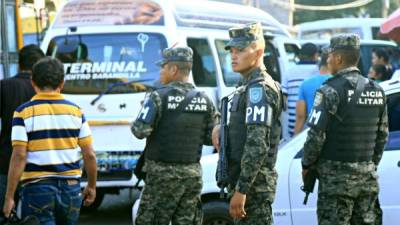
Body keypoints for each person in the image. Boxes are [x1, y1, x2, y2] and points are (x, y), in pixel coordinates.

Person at [302, 34, 388, 225]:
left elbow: (315, 137)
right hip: (367, 180)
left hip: (336, 184)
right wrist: (367, 165)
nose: (328, 60)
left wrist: (307, 165)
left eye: (330, 56)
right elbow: (382, 137)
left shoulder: (328, 91)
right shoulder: (377, 90)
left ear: (339, 58)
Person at [2, 57, 97, 225]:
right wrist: (91, 185)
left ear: (32, 82)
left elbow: (19, 156)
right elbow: (89, 154)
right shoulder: (76, 112)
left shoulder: (22, 113)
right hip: (71, 188)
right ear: (62, 82)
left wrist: (9, 197)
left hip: (37, 188)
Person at [132, 46, 217, 225]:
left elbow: (140, 131)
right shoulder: (205, 100)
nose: (161, 71)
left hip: (161, 178)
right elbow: (212, 138)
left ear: (173, 69)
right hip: (191, 177)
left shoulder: (157, 97)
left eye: (163, 67)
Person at [212, 22, 283, 224]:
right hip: (244, 182)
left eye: (240, 50)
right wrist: (219, 126)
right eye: (232, 51)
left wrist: (242, 190)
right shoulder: (245, 86)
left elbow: (257, 145)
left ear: (258, 51)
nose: (233, 56)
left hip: (253, 188)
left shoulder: (259, 89)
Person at [0, 44, 44, 223]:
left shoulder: (4, 87)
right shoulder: (45, 92)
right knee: (36, 217)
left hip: (6, 162)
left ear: (19, 64)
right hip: (38, 165)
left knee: (5, 214)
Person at [282, 42, 319, 138]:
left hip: (292, 126)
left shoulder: (289, 72)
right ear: (315, 56)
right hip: (313, 127)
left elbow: (284, 101)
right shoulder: (319, 72)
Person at [294, 49, 332, 135]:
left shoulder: (306, 83)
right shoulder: (340, 83)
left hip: (312, 135)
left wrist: (294, 138)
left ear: (319, 64)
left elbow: (300, 116)